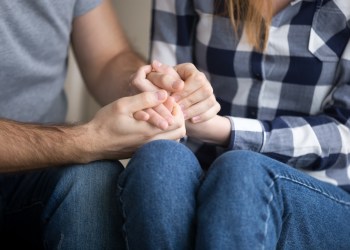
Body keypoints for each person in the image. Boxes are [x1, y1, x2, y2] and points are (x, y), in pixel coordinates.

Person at [117, 0, 350, 249]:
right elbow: (165, 83)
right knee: (157, 159)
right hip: (203, 170)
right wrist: (162, 93)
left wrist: (222, 129)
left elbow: (345, 133)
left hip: (322, 191)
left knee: (242, 171)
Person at [0, 0, 221, 248]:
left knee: (93, 179)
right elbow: (84, 142)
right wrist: (84, 140)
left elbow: (108, 58)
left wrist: (147, 86)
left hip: (35, 175)